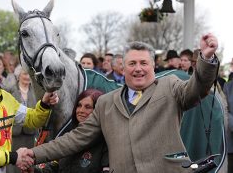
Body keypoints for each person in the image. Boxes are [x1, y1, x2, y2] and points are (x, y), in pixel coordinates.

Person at [24, 33, 219, 173]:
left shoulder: (171, 86)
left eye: (144, 63)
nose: (138, 69)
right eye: (132, 64)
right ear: (123, 69)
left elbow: (197, 88)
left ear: (153, 66)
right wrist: (33, 154)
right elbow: (74, 139)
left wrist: (206, 59)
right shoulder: (106, 103)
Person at [6, 65, 38, 173]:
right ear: (18, 75)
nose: (28, 77)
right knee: (12, 164)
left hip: (30, 132)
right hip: (13, 133)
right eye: (25, 74)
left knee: (27, 162)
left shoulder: (36, 91)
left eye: (30, 74)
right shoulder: (9, 90)